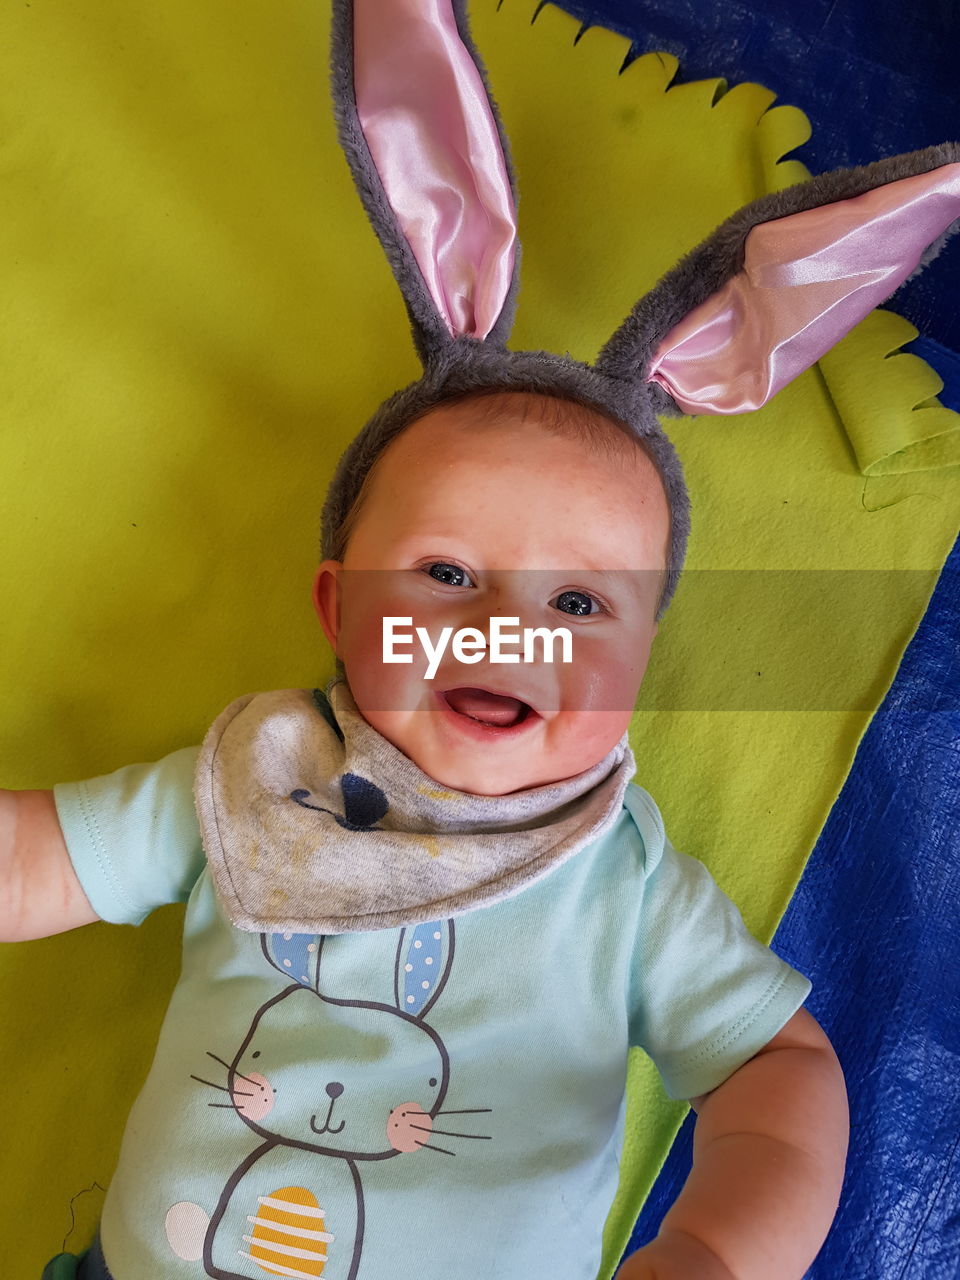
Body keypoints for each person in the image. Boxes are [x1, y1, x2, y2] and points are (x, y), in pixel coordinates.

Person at [8, 386, 845, 1280]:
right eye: (447, 575)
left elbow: (775, 1064)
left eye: (577, 603)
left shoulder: (624, 884)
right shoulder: (259, 781)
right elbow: (38, 861)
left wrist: (714, 1252)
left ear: (642, 656)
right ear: (338, 609)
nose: (504, 633)